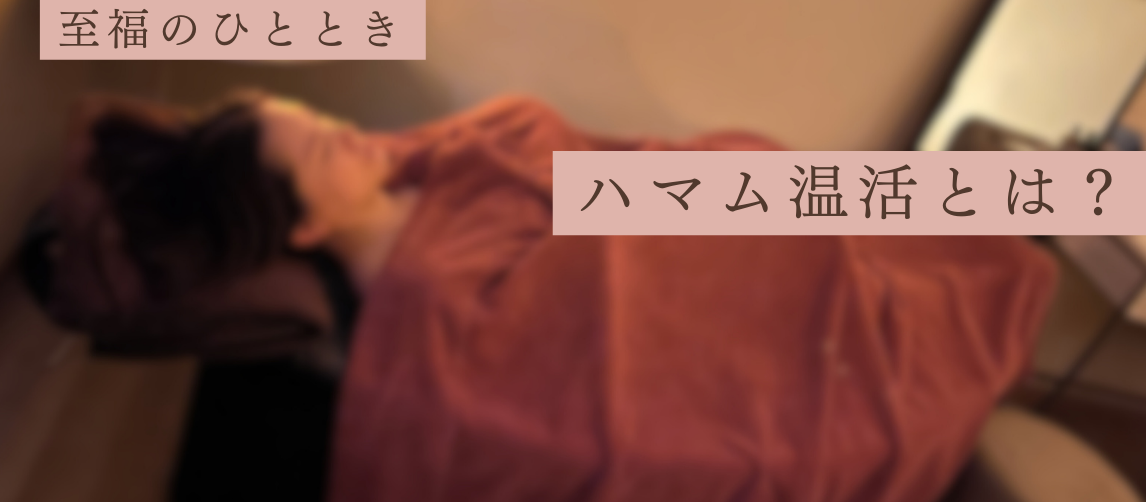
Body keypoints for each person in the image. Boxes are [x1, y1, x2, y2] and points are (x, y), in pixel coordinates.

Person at [80, 90, 1057, 502]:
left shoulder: (422, 164)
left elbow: (549, 142)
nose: (354, 134)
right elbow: (563, 362)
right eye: (327, 147)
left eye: (328, 118)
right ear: (302, 229)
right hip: (750, 327)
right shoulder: (424, 295)